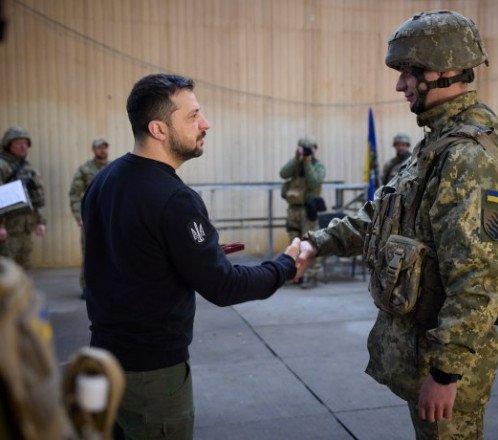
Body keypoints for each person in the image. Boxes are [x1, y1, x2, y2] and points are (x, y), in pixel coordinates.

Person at [295, 10, 498, 438]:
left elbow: (481, 279)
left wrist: (446, 374)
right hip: (425, 352)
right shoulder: (438, 142)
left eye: (407, 72)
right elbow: (382, 215)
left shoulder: (467, 157)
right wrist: (318, 242)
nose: (399, 85)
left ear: (444, 71)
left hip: (445, 366)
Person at [82, 73, 301, 439]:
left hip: (103, 361)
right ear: (159, 129)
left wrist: (196, 252)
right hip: (152, 376)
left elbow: (134, 257)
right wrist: (285, 266)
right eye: (193, 115)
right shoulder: (175, 199)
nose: (206, 123)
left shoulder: (104, 181)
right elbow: (223, 286)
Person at [280, 136, 325, 287]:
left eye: (309, 148)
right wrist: (296, 158)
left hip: (308, 210)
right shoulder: (296, 165)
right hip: (293, 210)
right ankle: (295, 274)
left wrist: (307, 161)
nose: (306, 151)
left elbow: (314, 181)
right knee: (294, 244)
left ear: (315, 149)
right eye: (303, 148)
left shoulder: (318, 166)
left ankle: (313, 276)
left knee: (311, 243)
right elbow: (283, 173)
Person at [69, 137, 110, 299]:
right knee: (90, 254)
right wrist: (79, 216)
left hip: (109, 218)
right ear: (93, 150)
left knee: (111, 253)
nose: (103, 150)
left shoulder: (114, 168)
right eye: (99, 148)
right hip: (90, 220)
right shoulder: (84, 170)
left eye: (105, 147)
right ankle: (87, 287)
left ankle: (109, 286)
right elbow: (75, 194)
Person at [0, 126, 46, 269]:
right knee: (6, 273)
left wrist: (40, 222)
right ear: (8, 145)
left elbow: (34, 199)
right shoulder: (2, 166)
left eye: (25, 143)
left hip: (26, 229)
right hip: (7, 230)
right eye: (18, 143)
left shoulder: (28, 168)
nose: (23, 146)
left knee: (24, 270)